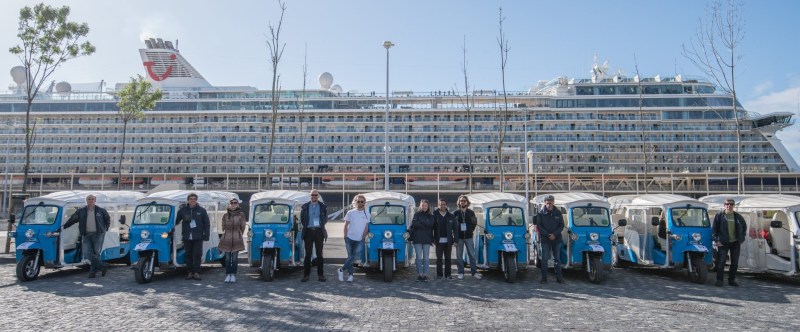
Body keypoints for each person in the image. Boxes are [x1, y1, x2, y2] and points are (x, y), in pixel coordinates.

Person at [63, 194, 111, 278]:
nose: (91, 200)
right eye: (89, 199)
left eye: (92, 199)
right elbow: (73, 219)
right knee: (86, 253)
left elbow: (107, 219)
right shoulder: (81, 211)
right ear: (86, 200)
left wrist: (105, 229)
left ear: (95, 200)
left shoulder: (101, 210)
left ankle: (92, 272)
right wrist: (64, 226)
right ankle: (102, 265)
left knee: (96, 253)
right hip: (86, 234)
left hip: (98, 234)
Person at [175, 193, 210, 281]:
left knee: (197, 254)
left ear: (196, 200)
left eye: (194, 199)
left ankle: (197, 272)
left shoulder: (202, 210)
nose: (193, 200)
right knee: (188, 255)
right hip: (187, 236)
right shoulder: (183, 210)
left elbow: (206, 224)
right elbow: (176, 221)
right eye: (191, 199)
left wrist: (206, 235)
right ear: (188, 200)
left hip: (198, 236)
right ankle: (190, 272)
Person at [712, 198, 746, 287]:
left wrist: (741, 238)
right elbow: (713, 230)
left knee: (734, 263)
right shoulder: (719, 216)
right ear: (724, 205)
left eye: (731, 204)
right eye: (727, 204)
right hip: (723, 242)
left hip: (735, 242)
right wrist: (716, 241)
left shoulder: (738, 217)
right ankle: (719, 280)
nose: (729, 206)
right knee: (721, 262)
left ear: (733, 206)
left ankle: (732, 280)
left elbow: (744, 227)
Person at [536, 194, 565, 284]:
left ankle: (559, 278)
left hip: (556, 239)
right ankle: (544, 278)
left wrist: (554, 234)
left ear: (553, 202)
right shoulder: (540, 213)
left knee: (557, 259)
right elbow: (539, 226)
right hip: (545, 239)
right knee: (544, 259)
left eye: (551, 201)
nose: (549, 203)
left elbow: (561, 225)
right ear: (545, 202)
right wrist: (548, 234)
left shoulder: (558, 213)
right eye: (547, 201)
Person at [340, 194, 369, 282]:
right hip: (349, 238)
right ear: (355, 202)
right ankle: (350, 276)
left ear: (364, 202)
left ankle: (341, 270)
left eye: (362, 201)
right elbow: (346, 224)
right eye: (358, 201)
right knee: (350, 257)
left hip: (360, 239)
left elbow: (367, 227)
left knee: (354, 256)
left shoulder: (367, 213)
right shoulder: (350, 212)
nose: (360, 203)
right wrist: (345, 235)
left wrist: (363, 237)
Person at [300, 189, 328, 282]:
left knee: (319, 254)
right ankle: (306, 275)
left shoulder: (323, 206)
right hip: (308, 231)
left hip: (319, 231)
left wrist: (321, 224)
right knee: (307, 255)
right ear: (310, 196)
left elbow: (325, 218)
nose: (314, 196)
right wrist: (307, 226)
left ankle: (321, 275)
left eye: (316, 195)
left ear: (318, 196)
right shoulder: (305, 207)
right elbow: (302, 219)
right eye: (312, 195)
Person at [452, 195, 481, 280]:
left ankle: (474, 272)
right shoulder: (455, 213)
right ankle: (461, 272)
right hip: (459, 237)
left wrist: (470, 230)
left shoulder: (471, 212)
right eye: (461, 201)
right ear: (459, 202)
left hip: (468, 237)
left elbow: (474, 223)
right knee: (459, 256)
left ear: (467, 202)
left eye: (464, 200)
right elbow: (453, 225)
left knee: (472, 255)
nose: (463, 202)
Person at [219, 198, 246, 283]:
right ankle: (228, 274)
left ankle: (233, 274)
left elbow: (243, 226)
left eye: (235, 203)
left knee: (234, 258)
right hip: (227, 238)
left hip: (236, 238)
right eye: (232, 203)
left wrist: (238, 234)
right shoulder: (225, 215)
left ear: (238, 204)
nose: (233, 204)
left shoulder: (241, 215)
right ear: (230, 204)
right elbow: (223, 227)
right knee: (227, 258)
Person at [410, 199, 435, 282]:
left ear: (428, 206)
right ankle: (420, 274)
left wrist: (420, 223)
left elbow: (431, 225)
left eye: (425, 205)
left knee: (426, 258)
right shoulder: (416, 214)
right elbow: (414, 224)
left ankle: (425, 274)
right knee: (418, 258)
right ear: (420, 206)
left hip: (427, 239)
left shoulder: (431, 216)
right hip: (417, 239)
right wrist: (425, 224)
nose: (424, 207)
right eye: (422, 205)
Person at [433, 198, 456, 280]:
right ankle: (439, 274)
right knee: (439, 259)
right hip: (438, 241)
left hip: (448, 241)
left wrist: (455, 240)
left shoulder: (451, 216)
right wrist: (433, 239)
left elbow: (455, 229)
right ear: (438, 205)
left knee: (448, 259)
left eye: (444, 204)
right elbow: (431, 228)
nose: (442, 206)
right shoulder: (434, 215)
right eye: (440, 204)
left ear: (446, 205)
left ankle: (448, 274)